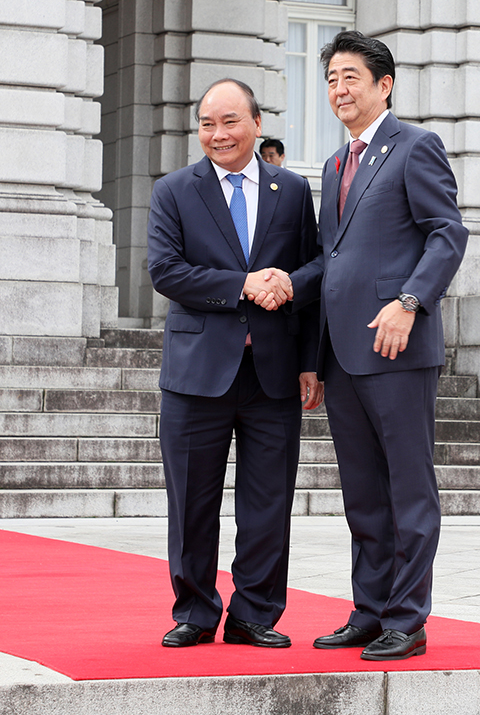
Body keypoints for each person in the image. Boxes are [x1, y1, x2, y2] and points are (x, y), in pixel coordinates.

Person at [148, 78, 323, 650]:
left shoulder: (292, 191)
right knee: (192, 500)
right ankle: (195, 611)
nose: (217, 134)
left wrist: (308, 357)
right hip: (197, 373)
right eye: (206, 123)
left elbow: (315, 269)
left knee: (269, 502)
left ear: (256, 123)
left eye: (228, 122)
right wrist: (243, 285)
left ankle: (254, 614)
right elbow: (166, 272)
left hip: (272, 373)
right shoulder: (174, 190)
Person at [311, 31, 468, 661]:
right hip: (344, 354)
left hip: (397, 346)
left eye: (351, 77)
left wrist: (409, 302)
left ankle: (408, 616)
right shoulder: (334, 165)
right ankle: (370, 610)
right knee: (362, 493)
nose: (339, 89)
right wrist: (313, 360)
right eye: (330, 79)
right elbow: (331, 261)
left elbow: (447, 234)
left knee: (407, 486)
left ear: (384, 85)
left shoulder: (415, 147)